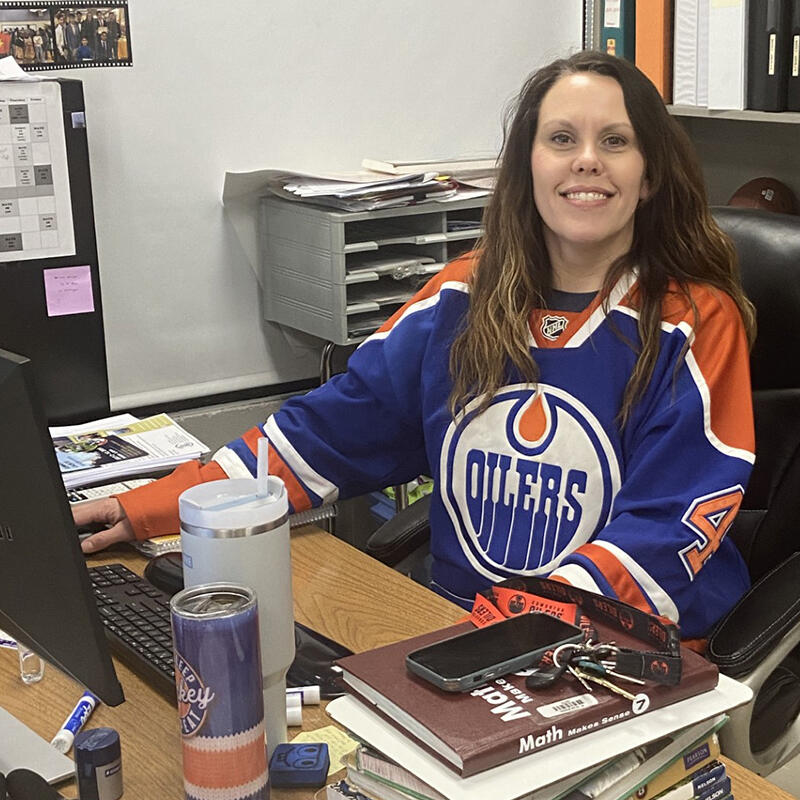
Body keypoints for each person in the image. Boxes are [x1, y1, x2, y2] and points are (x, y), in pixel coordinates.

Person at [74, 51, 756, 640]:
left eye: (615, 141)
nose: (585, 160)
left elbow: (664, 531)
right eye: (561, 138)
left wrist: (506, 632)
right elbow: (318, 436)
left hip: (621, 654)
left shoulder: (693, 324)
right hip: (462, 629)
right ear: (527, 164)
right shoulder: (462, 297)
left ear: (652, 172)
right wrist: (147, 506)